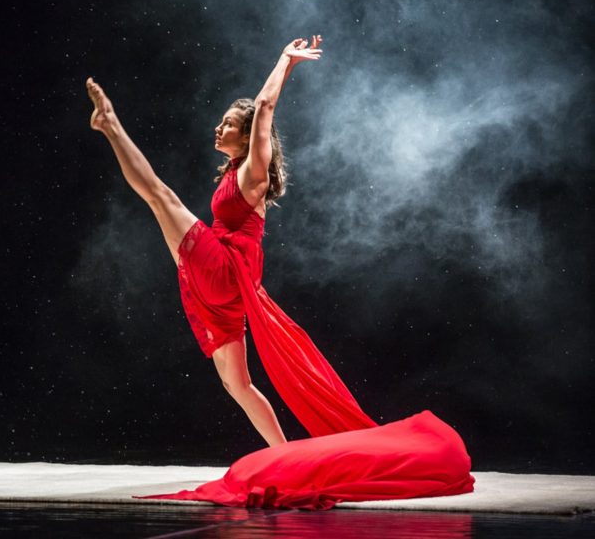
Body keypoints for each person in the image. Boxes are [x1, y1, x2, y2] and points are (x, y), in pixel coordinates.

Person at [86, 37, 474, 509]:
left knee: (160, 196)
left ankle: (111, 126)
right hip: (228, 286)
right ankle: (287, 458)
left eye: (229, 123)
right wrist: (286, 67)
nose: (218, 127)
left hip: (225, 270)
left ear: (249, 134)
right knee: (237, 385)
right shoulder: (234, 169)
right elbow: (259, 114)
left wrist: (284, 61)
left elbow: (266, 106)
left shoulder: (254, 169)